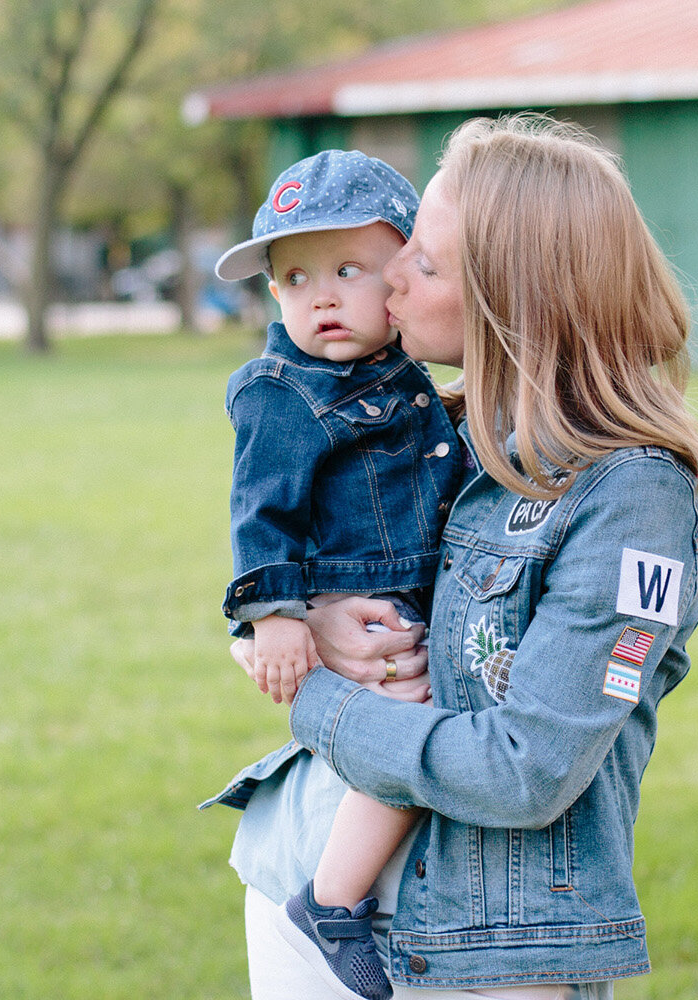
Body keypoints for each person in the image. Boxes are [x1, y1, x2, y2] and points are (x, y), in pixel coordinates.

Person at [205, 113, 698, 999]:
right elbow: (270, 559)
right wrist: (304, 623)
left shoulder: (632, 498)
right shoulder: (427, 431)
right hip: (298, 868)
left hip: (484, 946)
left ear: (514, 296)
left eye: (425, 261)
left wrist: (316, 697)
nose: (386, 276)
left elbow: (528, 767)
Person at [214, 148, 466, 1000]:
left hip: (411, 591)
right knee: (408, 728)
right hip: (365, 599)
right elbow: (262, 511)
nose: (318, 296)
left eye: (347, 269)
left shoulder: (405, 373)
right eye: (292, 278)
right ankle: (333, 898)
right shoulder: (281, 389)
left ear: (405, 270)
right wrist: (277, 616)